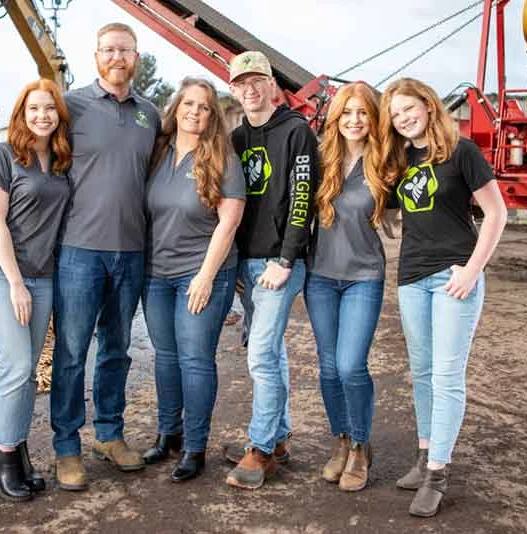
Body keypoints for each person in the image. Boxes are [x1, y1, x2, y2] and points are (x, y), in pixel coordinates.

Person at [379, 77, 507, 517]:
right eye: (395, 115)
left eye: (409, 109)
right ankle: (423, 456)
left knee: (447, 375)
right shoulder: (401, 160)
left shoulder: (462, 151)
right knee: (421, 373)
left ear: (429, 106)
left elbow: (496, 212)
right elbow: (393, 216)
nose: (403, 118)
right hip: (412, 277)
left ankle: (437, 473)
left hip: (454, 275)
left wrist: (473, 270)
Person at [50, 22, 161, 491]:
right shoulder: (70, 105)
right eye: (109, 49)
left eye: (125, 50)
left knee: (117, 349)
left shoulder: (151, 114)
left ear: (136, 57)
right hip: (79, 251)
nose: (117, 56)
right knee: (73, 352)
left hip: (131, 250)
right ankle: (67, 447)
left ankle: (110, 435)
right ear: (96, 56)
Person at [140, 77, 245, 482]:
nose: (195, 112)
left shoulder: (222, 158)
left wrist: (205, 276)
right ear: (176, 108)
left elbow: (229, 220)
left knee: (195, 359)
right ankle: (169, 433)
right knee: (164, 357)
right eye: (188, 104)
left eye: (203, 106)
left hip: (202, 273)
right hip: (156, 272)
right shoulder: (159, 153)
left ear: (211, 115)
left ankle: (195, 447)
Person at [223, 51, 320, 490]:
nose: (250, 89)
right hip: (248, 263)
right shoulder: (237, 138)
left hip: (281, 263)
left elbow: (303, 198)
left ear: (271, 84)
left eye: (257, 80)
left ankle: (259, 448)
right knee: (270, 353)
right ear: (234, 89)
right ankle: (278, 438)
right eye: (241, 83)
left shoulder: (296, 132)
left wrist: (286, 259)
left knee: (260, 353)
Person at [0, 79, 72, 501]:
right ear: (20, 114)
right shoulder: (3, 155)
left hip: (45, 274)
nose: (42, 116)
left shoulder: (63, 160)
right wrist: (15, 283)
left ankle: (15, 450)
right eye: (34, 109)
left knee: (29, 370)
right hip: (3, 271)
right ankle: (5, 455)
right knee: (14, 366)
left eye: (49, 109)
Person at [305, 82, 389, 492]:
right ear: (335, 117)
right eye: (347, 113)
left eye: (362, 113)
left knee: (351, 364)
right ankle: (340, 440)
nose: (354, 121)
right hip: (320, 276)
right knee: (327, 366)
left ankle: (360, 444)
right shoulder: (320, 161)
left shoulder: (387, 162)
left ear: (373, 118)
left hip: (363, 276)